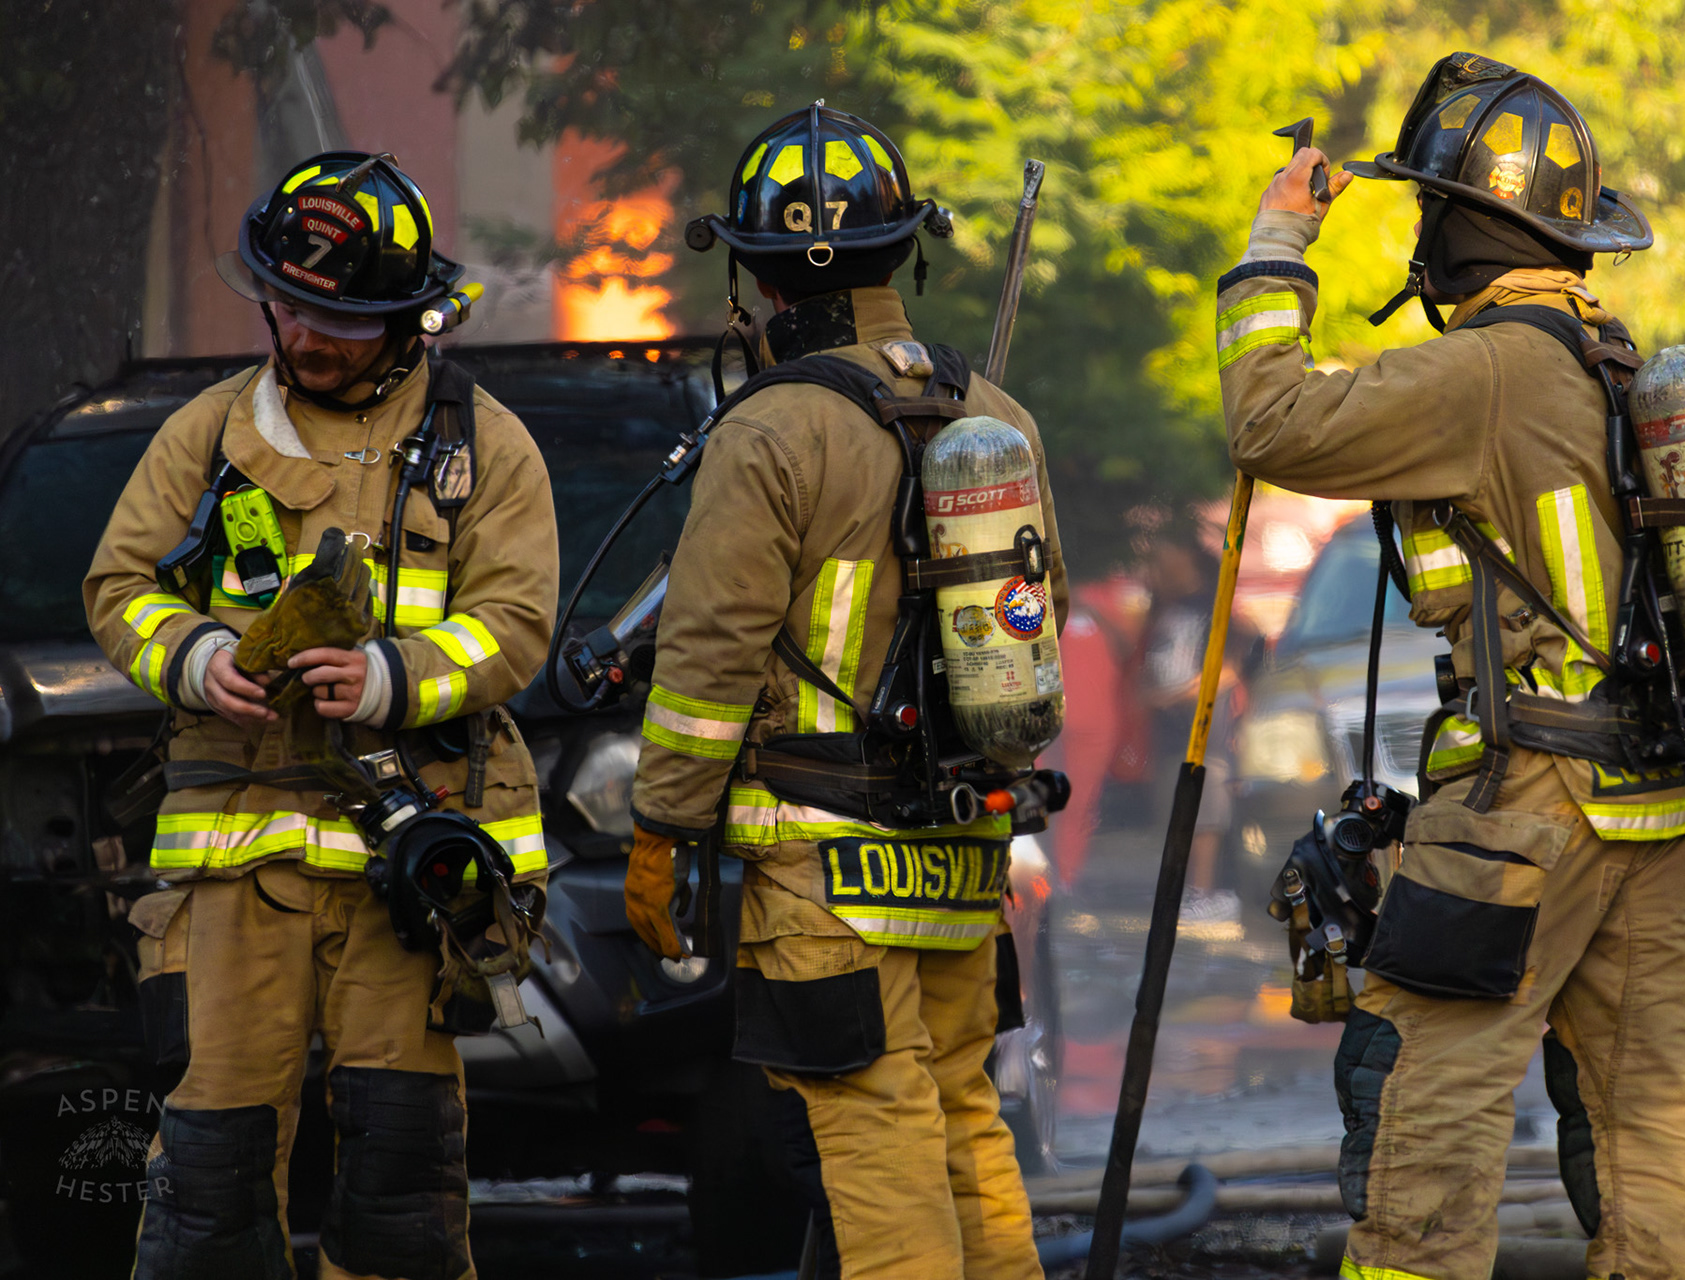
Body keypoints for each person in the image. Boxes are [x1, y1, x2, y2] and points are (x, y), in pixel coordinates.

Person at [1217, 54, 1685, 1280]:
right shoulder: (1619, 361)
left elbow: (1268, 420)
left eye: (1424, 208)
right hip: (1660, 802)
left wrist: (1279, 241)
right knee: (1655, 1149)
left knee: (1424, 1119)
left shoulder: (1486, 369)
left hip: (1528, 811)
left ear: (1462, 222)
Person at [85, 150, 558, 1280]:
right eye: (291, 308)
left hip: (406, 867)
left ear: (412, 318)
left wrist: (392, 677)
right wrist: (198, 656)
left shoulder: (483, 450)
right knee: (207, 1178)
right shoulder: (204, 435)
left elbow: (517, 622)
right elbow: (117, 588)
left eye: (341, 322)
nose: (308, 336)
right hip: (233, 862)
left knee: (402, 1184)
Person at [626, 104, 1067, 1280]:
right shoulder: (997, 417)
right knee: (965, 1111)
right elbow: (1043, 615)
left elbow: (711, 651)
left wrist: (662, 827)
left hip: (821, 862)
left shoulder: (771, 430)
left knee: (876, 1133)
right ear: (905, 252)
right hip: (959, 847)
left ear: (753, 280)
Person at [1135, 536, 1246, 925]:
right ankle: (1185, 892)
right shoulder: (1161, 607)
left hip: (1205, 729)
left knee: (1206, 811)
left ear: (1189, 559)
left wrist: (1177, 695)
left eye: (1168, 555)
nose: (1160, 564)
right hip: (1167, 732)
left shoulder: (1215, 608)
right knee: (1175, 810)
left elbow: (1230, 669)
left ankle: (1206, 892)